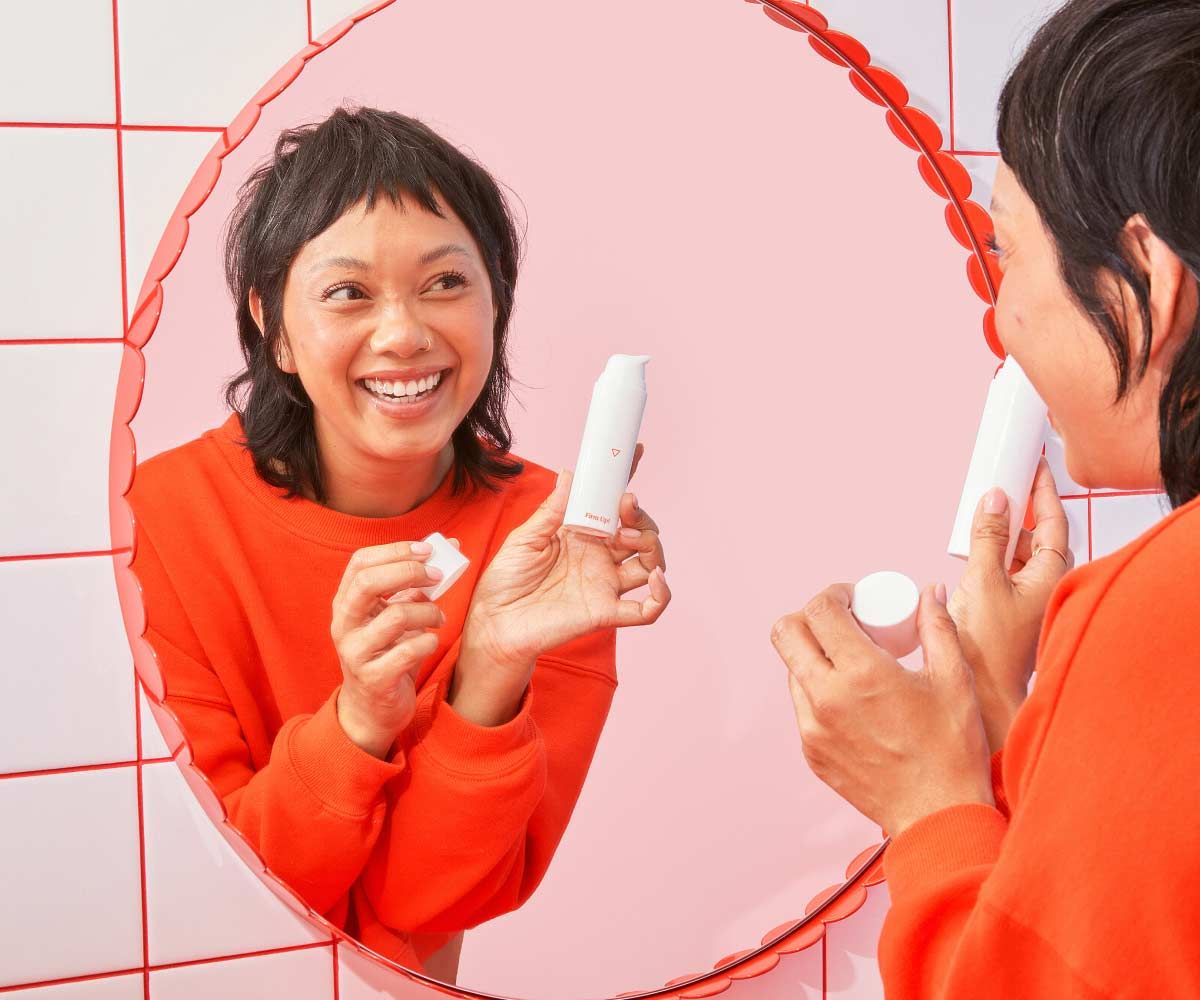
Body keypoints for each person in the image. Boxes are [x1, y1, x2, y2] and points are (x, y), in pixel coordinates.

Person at [128, 106, 671, 980]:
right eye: (348, 292)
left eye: (446, 283)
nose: (404, 333)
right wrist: (356, 724)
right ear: (273, 326)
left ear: (498, 298)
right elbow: (223, 892)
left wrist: (492, 662)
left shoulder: (555, 544)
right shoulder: (158, 515)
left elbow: (434, 907)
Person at [769, 0, 1200, 995]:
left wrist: (924, 800)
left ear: (1146, 280)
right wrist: (1015, 718)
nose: (1002, 320)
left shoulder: (1156, 603)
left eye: (1008, 252)